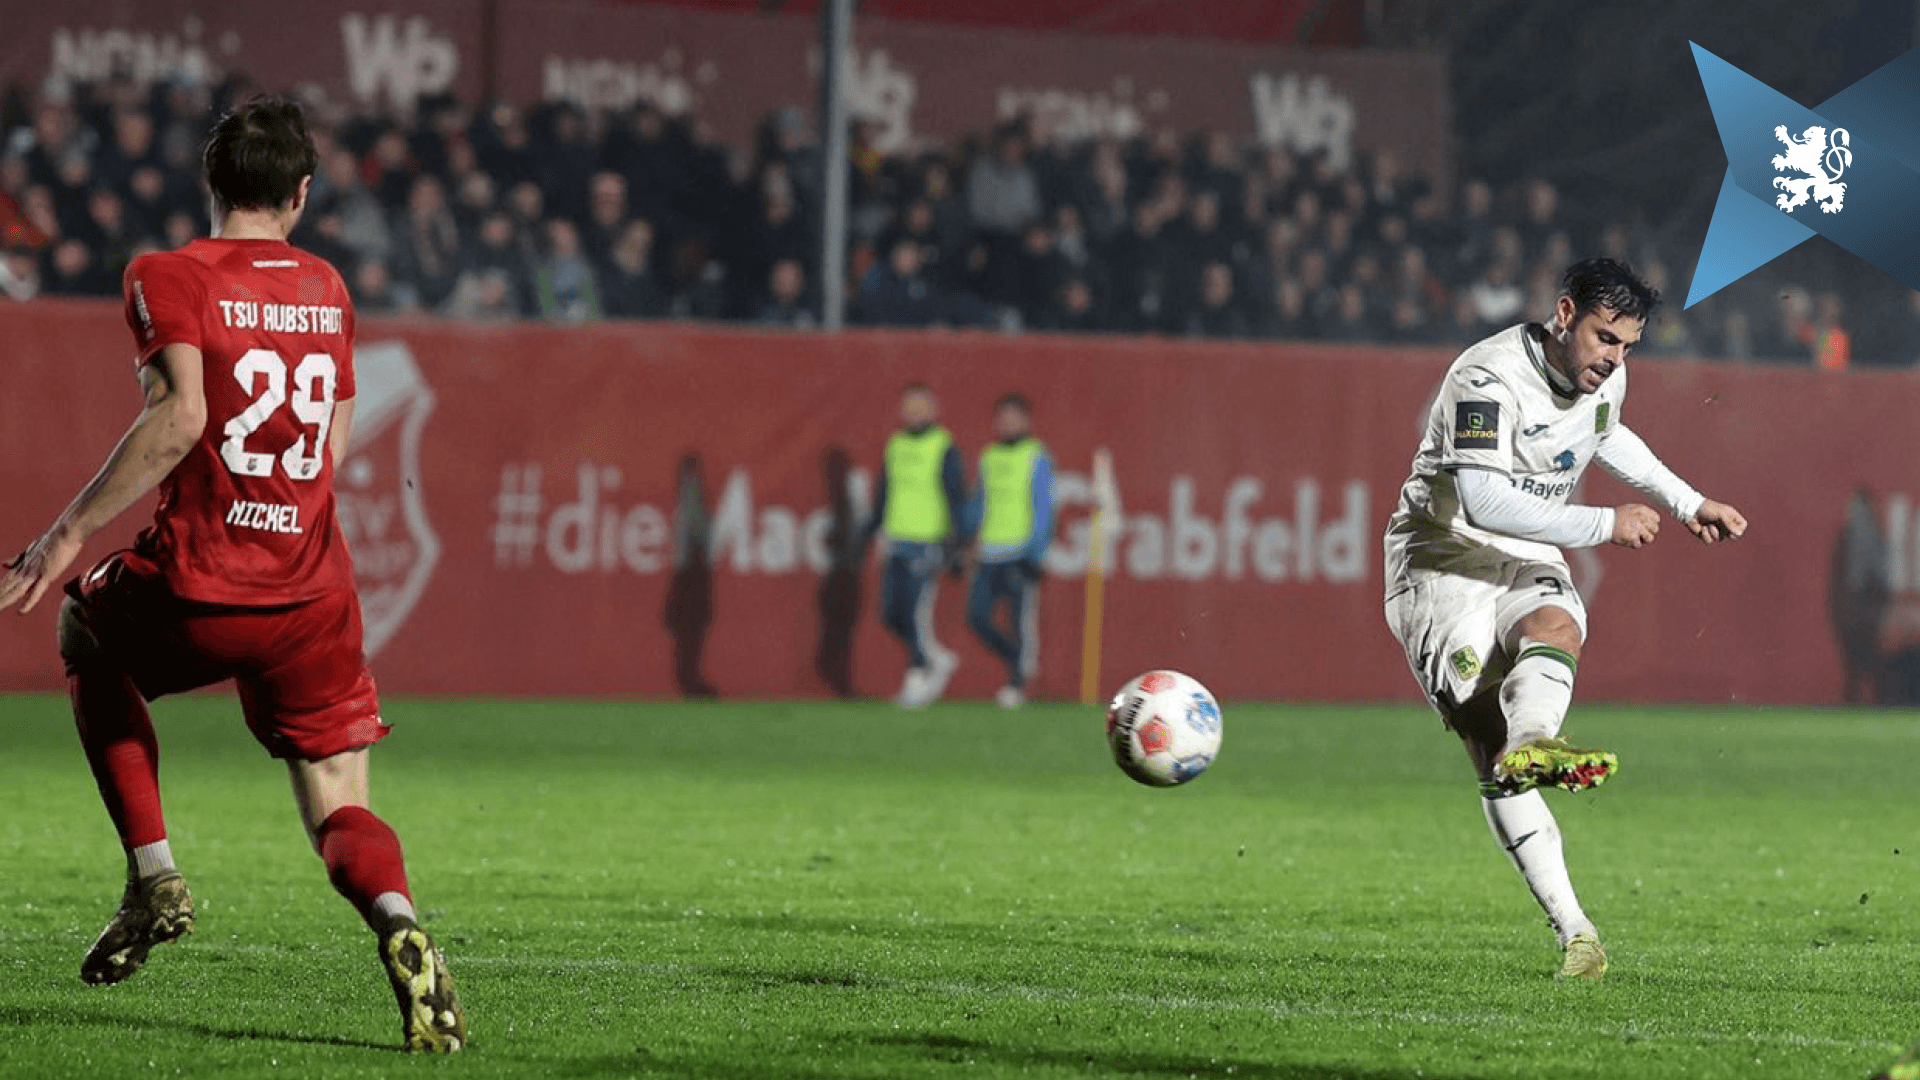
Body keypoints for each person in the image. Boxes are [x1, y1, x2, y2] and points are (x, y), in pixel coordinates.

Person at [0, 98, 465, 1051]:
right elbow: (329, 444)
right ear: (301, 194)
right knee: (339, 797)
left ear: (211, 185)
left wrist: (64, 536)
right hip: (310, 592)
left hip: (203, 581)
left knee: (85, 631)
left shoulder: (165, 274)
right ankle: (400, 923)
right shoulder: (329, 287)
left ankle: (154, 872)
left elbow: (179, 419)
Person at [1382, 257, 1747, 980]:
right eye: (1604, 338)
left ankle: (1541, 743)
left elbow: (1607, 434)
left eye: (1628, 347)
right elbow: (1483, 502)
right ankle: (1572, 922)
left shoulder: (1604, 380)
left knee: (1558, 627)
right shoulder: (1484, 379)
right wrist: (1605, 522)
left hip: (1521, 549)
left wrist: (1686, 501)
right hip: (1441, 562)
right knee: (1489, 746)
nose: (1613, 360)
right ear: (1564, 314)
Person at [865, 384, 970, 707]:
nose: (913, 412)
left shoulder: (943, 447)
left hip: (927, 542)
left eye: (920, 406)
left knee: (915, 612)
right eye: (908, 406)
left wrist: (956, 545)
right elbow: (884, 493)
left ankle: (918, 674)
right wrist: (868, 531)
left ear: (933, 410)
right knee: (890, 614)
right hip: (898, 539)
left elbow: (956, 496)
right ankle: (936, 657)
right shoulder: (895, 445)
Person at [964, 394, 1054, 708]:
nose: (1007, 423)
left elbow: (1043, 506)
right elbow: (979, 503)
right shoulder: (989, 456)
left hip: (1019, 551)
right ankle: (1016, 660)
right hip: (989, 551)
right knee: (976, 617)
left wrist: (1037, 551)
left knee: (1020, 622)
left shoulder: (1035, 455)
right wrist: (964, 536)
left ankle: (1018, 682)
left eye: (1014, 417)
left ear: (1026, 421)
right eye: (1002, 417)